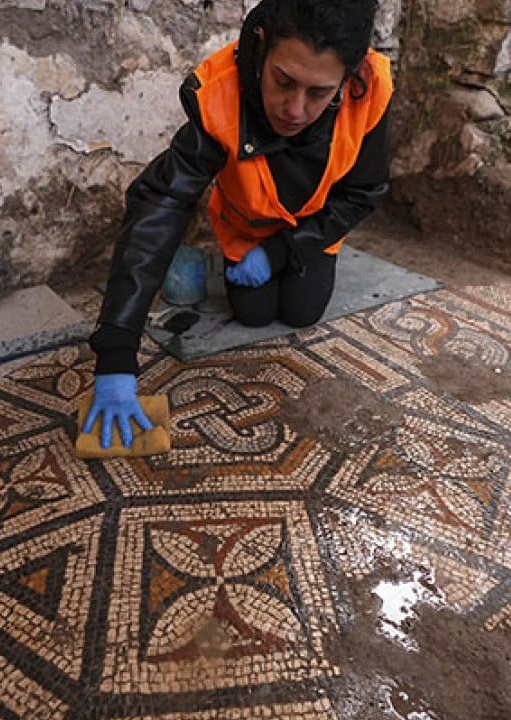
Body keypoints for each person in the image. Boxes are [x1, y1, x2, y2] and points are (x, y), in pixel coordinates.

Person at [84, 0, 393, 449]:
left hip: (315, 227)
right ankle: (251, 262)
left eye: (319, 92)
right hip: (245, 224)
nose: (294, 108)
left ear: (348, 78)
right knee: (253, 313)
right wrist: (116, 348)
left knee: (303, 310)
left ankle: (291, 256)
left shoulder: (373, 88)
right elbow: (162, 202)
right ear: (262, 46)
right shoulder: (218, 91)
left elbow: (362, 194)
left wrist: (282, 251)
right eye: (283, 81)